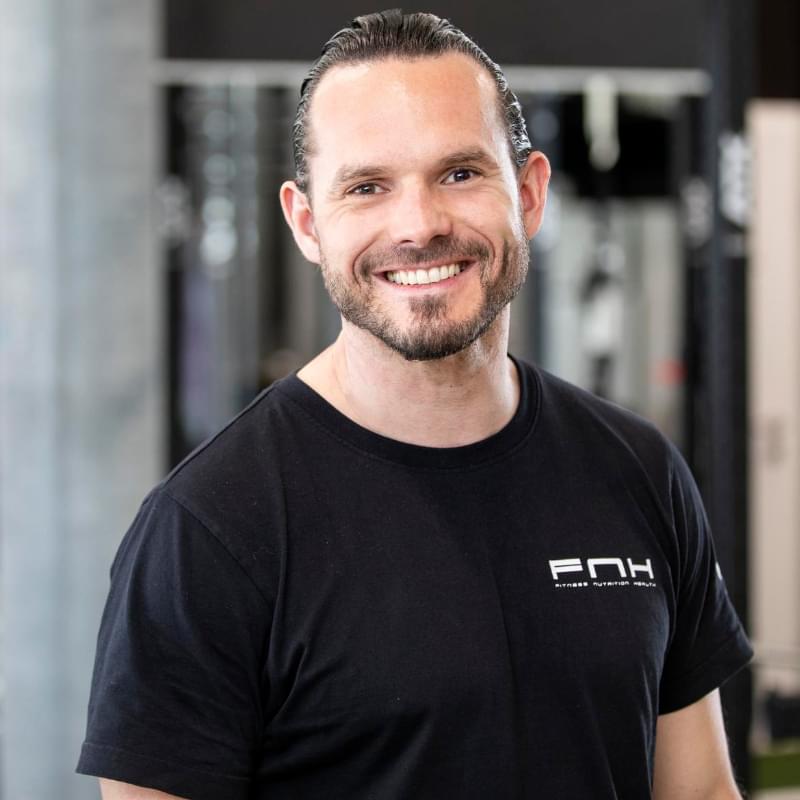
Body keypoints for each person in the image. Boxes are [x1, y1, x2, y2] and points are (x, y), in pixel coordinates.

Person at [77, 10, 753, 799]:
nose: (420, 225)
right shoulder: (209, 529)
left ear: (529, 193)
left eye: (460, 174)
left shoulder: (638, 470)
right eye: (367, 187)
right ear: (307, 223)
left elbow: (701, 792)